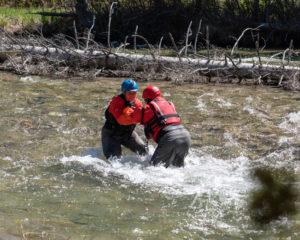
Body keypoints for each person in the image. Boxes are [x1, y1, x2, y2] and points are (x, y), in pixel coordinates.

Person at [139, 85, 191, 167]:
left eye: (145, 100)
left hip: (170, 138)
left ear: (148, 99)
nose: (145, 102)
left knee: (153, 169)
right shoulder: (170, 104)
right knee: (178, 169)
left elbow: (133, 118)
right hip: (185, 136)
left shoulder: (149, 108)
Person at [101, 79, 147, 159]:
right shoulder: (116, 102)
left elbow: (143, 117)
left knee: (145, 151)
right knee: (115, 161)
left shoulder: (137, 103)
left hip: (128, 134)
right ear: (123, 92)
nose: (132, 95)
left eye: (134, 93)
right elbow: (121, 121)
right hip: (112, 135)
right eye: (130, 93)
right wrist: (135, 115)